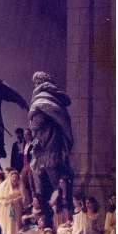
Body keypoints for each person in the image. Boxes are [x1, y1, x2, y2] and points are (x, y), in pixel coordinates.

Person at [28, 71, 74, 204]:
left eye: (35, 83)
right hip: (53, 144)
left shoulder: (41, 101)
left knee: (52, 181)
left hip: (48, 148)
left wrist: (33, 125)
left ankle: (59, 209)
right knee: (50, 179)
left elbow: (37, 123)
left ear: (38, 83)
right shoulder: (55, 100)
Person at [0, 169, 24, 234]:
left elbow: (23, 199)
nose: (14, 179)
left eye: (16, 178)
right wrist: (8, 202)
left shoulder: (20, 187)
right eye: (13, 177)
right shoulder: (4, 186)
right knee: (6, 227)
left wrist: (18, 199)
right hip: (6, 210)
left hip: (16, 210)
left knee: (14, 228)